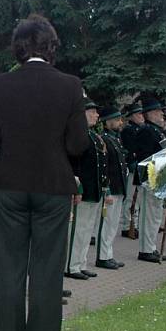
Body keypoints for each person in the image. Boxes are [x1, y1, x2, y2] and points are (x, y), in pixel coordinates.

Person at [0, 14, 88, 331]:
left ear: (19, 48)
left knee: (9, 271)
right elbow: (78, 143)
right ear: (51, 47)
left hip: (9, 186)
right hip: (53, 187)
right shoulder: (71, 86)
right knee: (46, 274)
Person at [66, 99, 108, 280]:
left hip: (94, 190)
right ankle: (71, 265)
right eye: (92, 112)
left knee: (86, 229)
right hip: (81, 190)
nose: (96, 115)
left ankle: (80, 263)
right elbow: (73, 164)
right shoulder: (76, 134)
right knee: (77, 229)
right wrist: (76, 187)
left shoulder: (92, 136)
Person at [134, 96, 166, 263]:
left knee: (155, 215)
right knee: (148, 215)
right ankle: (146, 249)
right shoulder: (147, 131)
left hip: (158, 178)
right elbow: (146, 157)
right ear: (148, 114)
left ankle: (151, 247)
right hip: (150, 177)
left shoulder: (157, 131)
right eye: (156, 111)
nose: (160, 114)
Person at [97, 106, 128, 269]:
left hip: (118, 187)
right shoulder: (105, 139)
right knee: (107, 223)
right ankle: (103, 256)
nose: (119, 122)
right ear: (107, 122)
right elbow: (105, 167)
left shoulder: (115, 139)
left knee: (113, 224)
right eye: (116, 120)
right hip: (111, 187)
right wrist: (106, 189)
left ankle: (108, 254)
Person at [119, 102, 144, 238]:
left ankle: (134, 224)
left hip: (139, 166)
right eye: (138, 114)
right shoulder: (128, 130)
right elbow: (131, 150)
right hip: (132, 166)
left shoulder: (140, 129)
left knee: (137, 199)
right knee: (130, 197)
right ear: (132, 116)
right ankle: (126, 225)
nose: (141, 116)